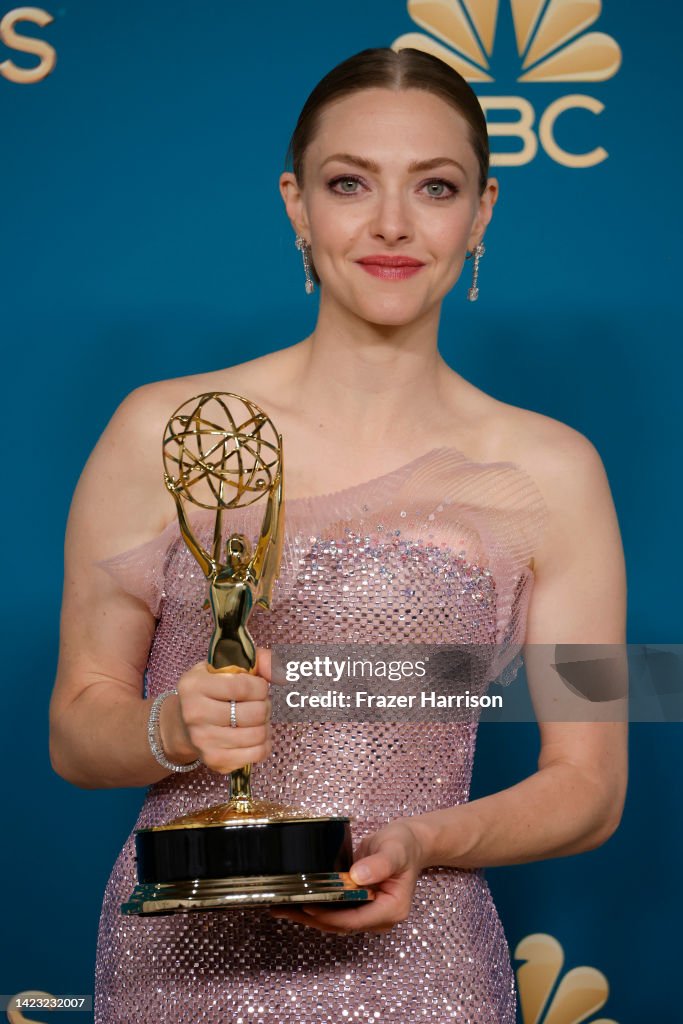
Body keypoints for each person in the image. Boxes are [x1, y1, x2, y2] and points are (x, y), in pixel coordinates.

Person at [49, 46, 628, 1024]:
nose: (391, 224)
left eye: (433, 187)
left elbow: (589, 783)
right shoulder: (162, 431)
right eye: (349, 182)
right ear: (295, 203)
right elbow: (74, 728)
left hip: (425, 962)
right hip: (182, 963)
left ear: (480, 211)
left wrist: (420, 840)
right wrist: (168, 726)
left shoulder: (555, 469)